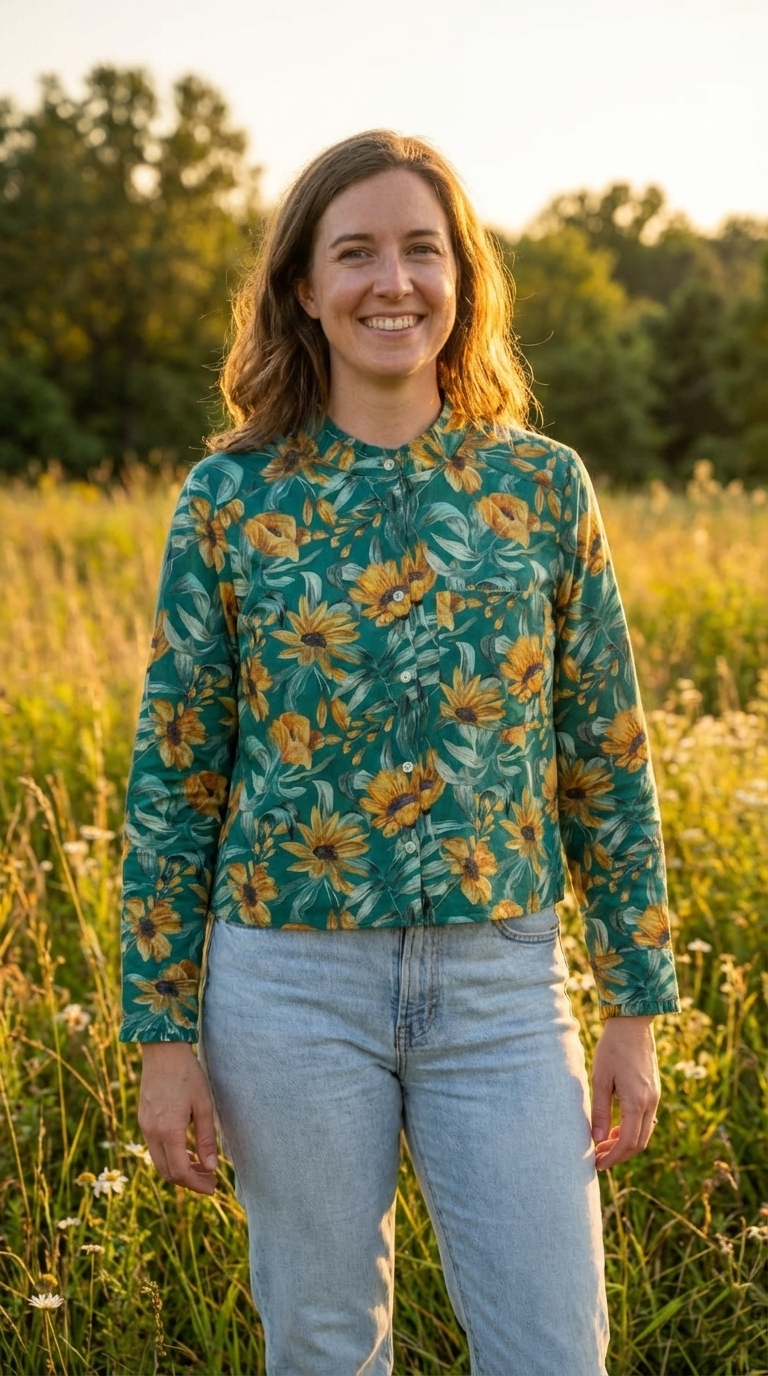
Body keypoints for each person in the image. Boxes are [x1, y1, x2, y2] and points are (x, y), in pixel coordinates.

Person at [120, 130, 680, 1376]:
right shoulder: (231, 497)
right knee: (325, 1348)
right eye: (355, 251)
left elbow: (607, 751)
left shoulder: (540, 488)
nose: (393, 281)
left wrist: (636, 1002)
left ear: (462, 279)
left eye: (422, 250)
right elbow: (174, 779)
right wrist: (163, 1034)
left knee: (552, 1347)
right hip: (286, 992)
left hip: (500, 989)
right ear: (304, 290)